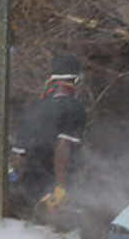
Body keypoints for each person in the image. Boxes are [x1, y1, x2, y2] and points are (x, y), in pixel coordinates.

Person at [13, 54, 88, 217]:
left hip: (29, 191)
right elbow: (63, 146)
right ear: (76, 81)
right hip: (55, 191)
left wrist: (22, 190)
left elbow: (20, 159)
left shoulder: (31, 109)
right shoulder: (73, 108)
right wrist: (60, 188)